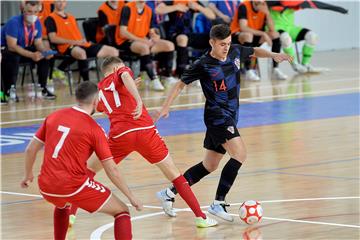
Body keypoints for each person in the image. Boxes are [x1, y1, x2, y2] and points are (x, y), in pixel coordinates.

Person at [154, 24, 292, 221]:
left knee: (209, 165)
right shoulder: (203, 64)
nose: (226, 48)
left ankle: (168, 194)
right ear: (212, 43)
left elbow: (254, 51)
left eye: (228, 43)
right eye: (221, 44)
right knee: (240, 154)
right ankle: (218, 203)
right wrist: (166, 107)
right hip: (217, 116)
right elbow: (179, 84)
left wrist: (273, 55)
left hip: (231, 115)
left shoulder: (235, 51)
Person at [69, 56, 218, 228]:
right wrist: (138, 100)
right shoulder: (122, 71)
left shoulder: (99, 90)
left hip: (119, 136)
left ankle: (71, 216)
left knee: (87, 171)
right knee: (175, 175)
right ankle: (200, 217)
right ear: (117, 67)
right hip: (144, 131)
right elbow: (125, 76)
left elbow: (100, 108)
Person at [21, 81, 142, 240]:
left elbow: (30, 149)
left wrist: (28, 175)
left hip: (45, 185)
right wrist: (131, 197)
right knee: (121, 211)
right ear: (95, 101)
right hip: (72, 185)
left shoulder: (54, 116)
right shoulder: (94, 128)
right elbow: (111, 169)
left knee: (62, 205)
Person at [45, 0, 119, 82]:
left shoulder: (71, 17)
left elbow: (75, 34)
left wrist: (82, 40)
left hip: (82, 44)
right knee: (81, 53)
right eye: (59, 1)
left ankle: (114, 80)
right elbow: (53, 38)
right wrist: (74, 42)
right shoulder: (50, 18)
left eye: (63, 1)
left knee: (113, 51)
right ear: (54, 2)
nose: (61, 3)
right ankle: (87, 83)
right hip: (66, 46)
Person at [267, 0, 348, 73]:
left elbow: (316, 4)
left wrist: (338, 8)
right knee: (285, 38)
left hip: (290, 28)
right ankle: (294, 64)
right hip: (274, 28)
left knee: (312, 36)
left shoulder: (294, 1)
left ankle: (306, 64)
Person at [1, 0, 56, 102]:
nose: (33, 15)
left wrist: (45, 51)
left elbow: (38, 43)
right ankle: (9, 90)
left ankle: (42, 88)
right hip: (5, 49)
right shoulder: (14, 22)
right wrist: (31, 55)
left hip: (23, 47)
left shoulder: (37, 23)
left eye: (35, 12)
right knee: (13, 57)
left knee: (44, 57)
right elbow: (12, 46)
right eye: (29, 12)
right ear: (23, 11)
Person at [117, 0, 177, 91]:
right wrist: (143, 40)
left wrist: (155, 36)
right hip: (126, 41)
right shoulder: (127, 8)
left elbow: (151, 29)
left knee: (169, 45)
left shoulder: (149, 10)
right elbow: (123, 32)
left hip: (143, 40)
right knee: (144, 48)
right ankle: (154, 79)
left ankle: (167, 76)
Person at [155, 0, 216, 76]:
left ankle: (208, 71)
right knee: (183, 38)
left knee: (213, 40)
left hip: (189, 34)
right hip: (174, 34)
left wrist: (198, 7)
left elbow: (212, 16)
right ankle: (181, 73)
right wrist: (176, 7)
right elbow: (158, 10)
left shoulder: (192, 2)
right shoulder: (172, 2)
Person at [230, 0, 287, 81]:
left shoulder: (264, 7)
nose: (262, 3)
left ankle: (275, 69)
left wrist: (267, 13)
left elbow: (272, 29)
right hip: (238, 35)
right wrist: (263, 34)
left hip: (255, 35)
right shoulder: (244, 6)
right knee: (248, 36)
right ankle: (249, 70)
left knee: (275, 34)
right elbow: (243, 28)